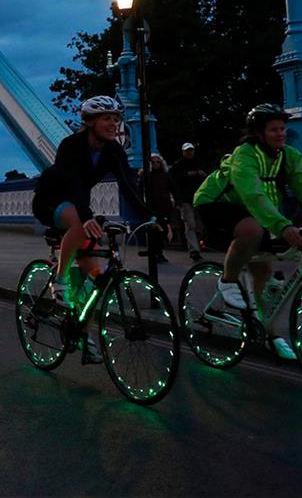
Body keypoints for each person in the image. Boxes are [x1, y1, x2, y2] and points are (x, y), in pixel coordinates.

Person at [193, 104, 302, 360]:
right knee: (252, 230)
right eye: (274, 130)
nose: (281, 134)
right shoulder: (244, 154)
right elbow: (251, 193)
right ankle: (227, 280)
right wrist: (283, 226)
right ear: (258, 133)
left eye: (283, 128)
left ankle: (271, 335)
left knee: (264, 271)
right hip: (217, 205)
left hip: (259, 214)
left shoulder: (289, 156)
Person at [30, 95, 152, 360]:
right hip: (50, 201)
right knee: (77, 220)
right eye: (106, 118)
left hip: (78, 206)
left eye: (116, 119)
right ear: (89, 122)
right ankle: (60, 282)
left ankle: (82, 334)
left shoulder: (113, 150)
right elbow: (73, 183)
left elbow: (128, 185)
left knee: (94, 277)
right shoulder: (71, 145)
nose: (113, 124)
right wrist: (86, 217)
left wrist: (152, 218)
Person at [170, 142, 207, 261]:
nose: (190, 152)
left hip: (200, 199)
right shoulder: (178, 166)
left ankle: (199, 245)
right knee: (190, 224)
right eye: (187, 151)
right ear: (183, 152)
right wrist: (177, 200)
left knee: (199, 225)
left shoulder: (200, 163)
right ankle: (194, 250)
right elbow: (174, 183)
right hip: (185, 199)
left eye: (191, 150)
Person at [141, 153, 176, 263]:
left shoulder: (166, 175)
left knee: (163, 230)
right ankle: (155, 253)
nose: (156, 164)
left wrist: (177, 201)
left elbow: (173, 189)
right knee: (154, 230)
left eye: (158, 162)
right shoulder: (146, 176)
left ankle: (159, 252)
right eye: (153, 162)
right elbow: (140, 191)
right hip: (152, 207)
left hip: (164, 206)